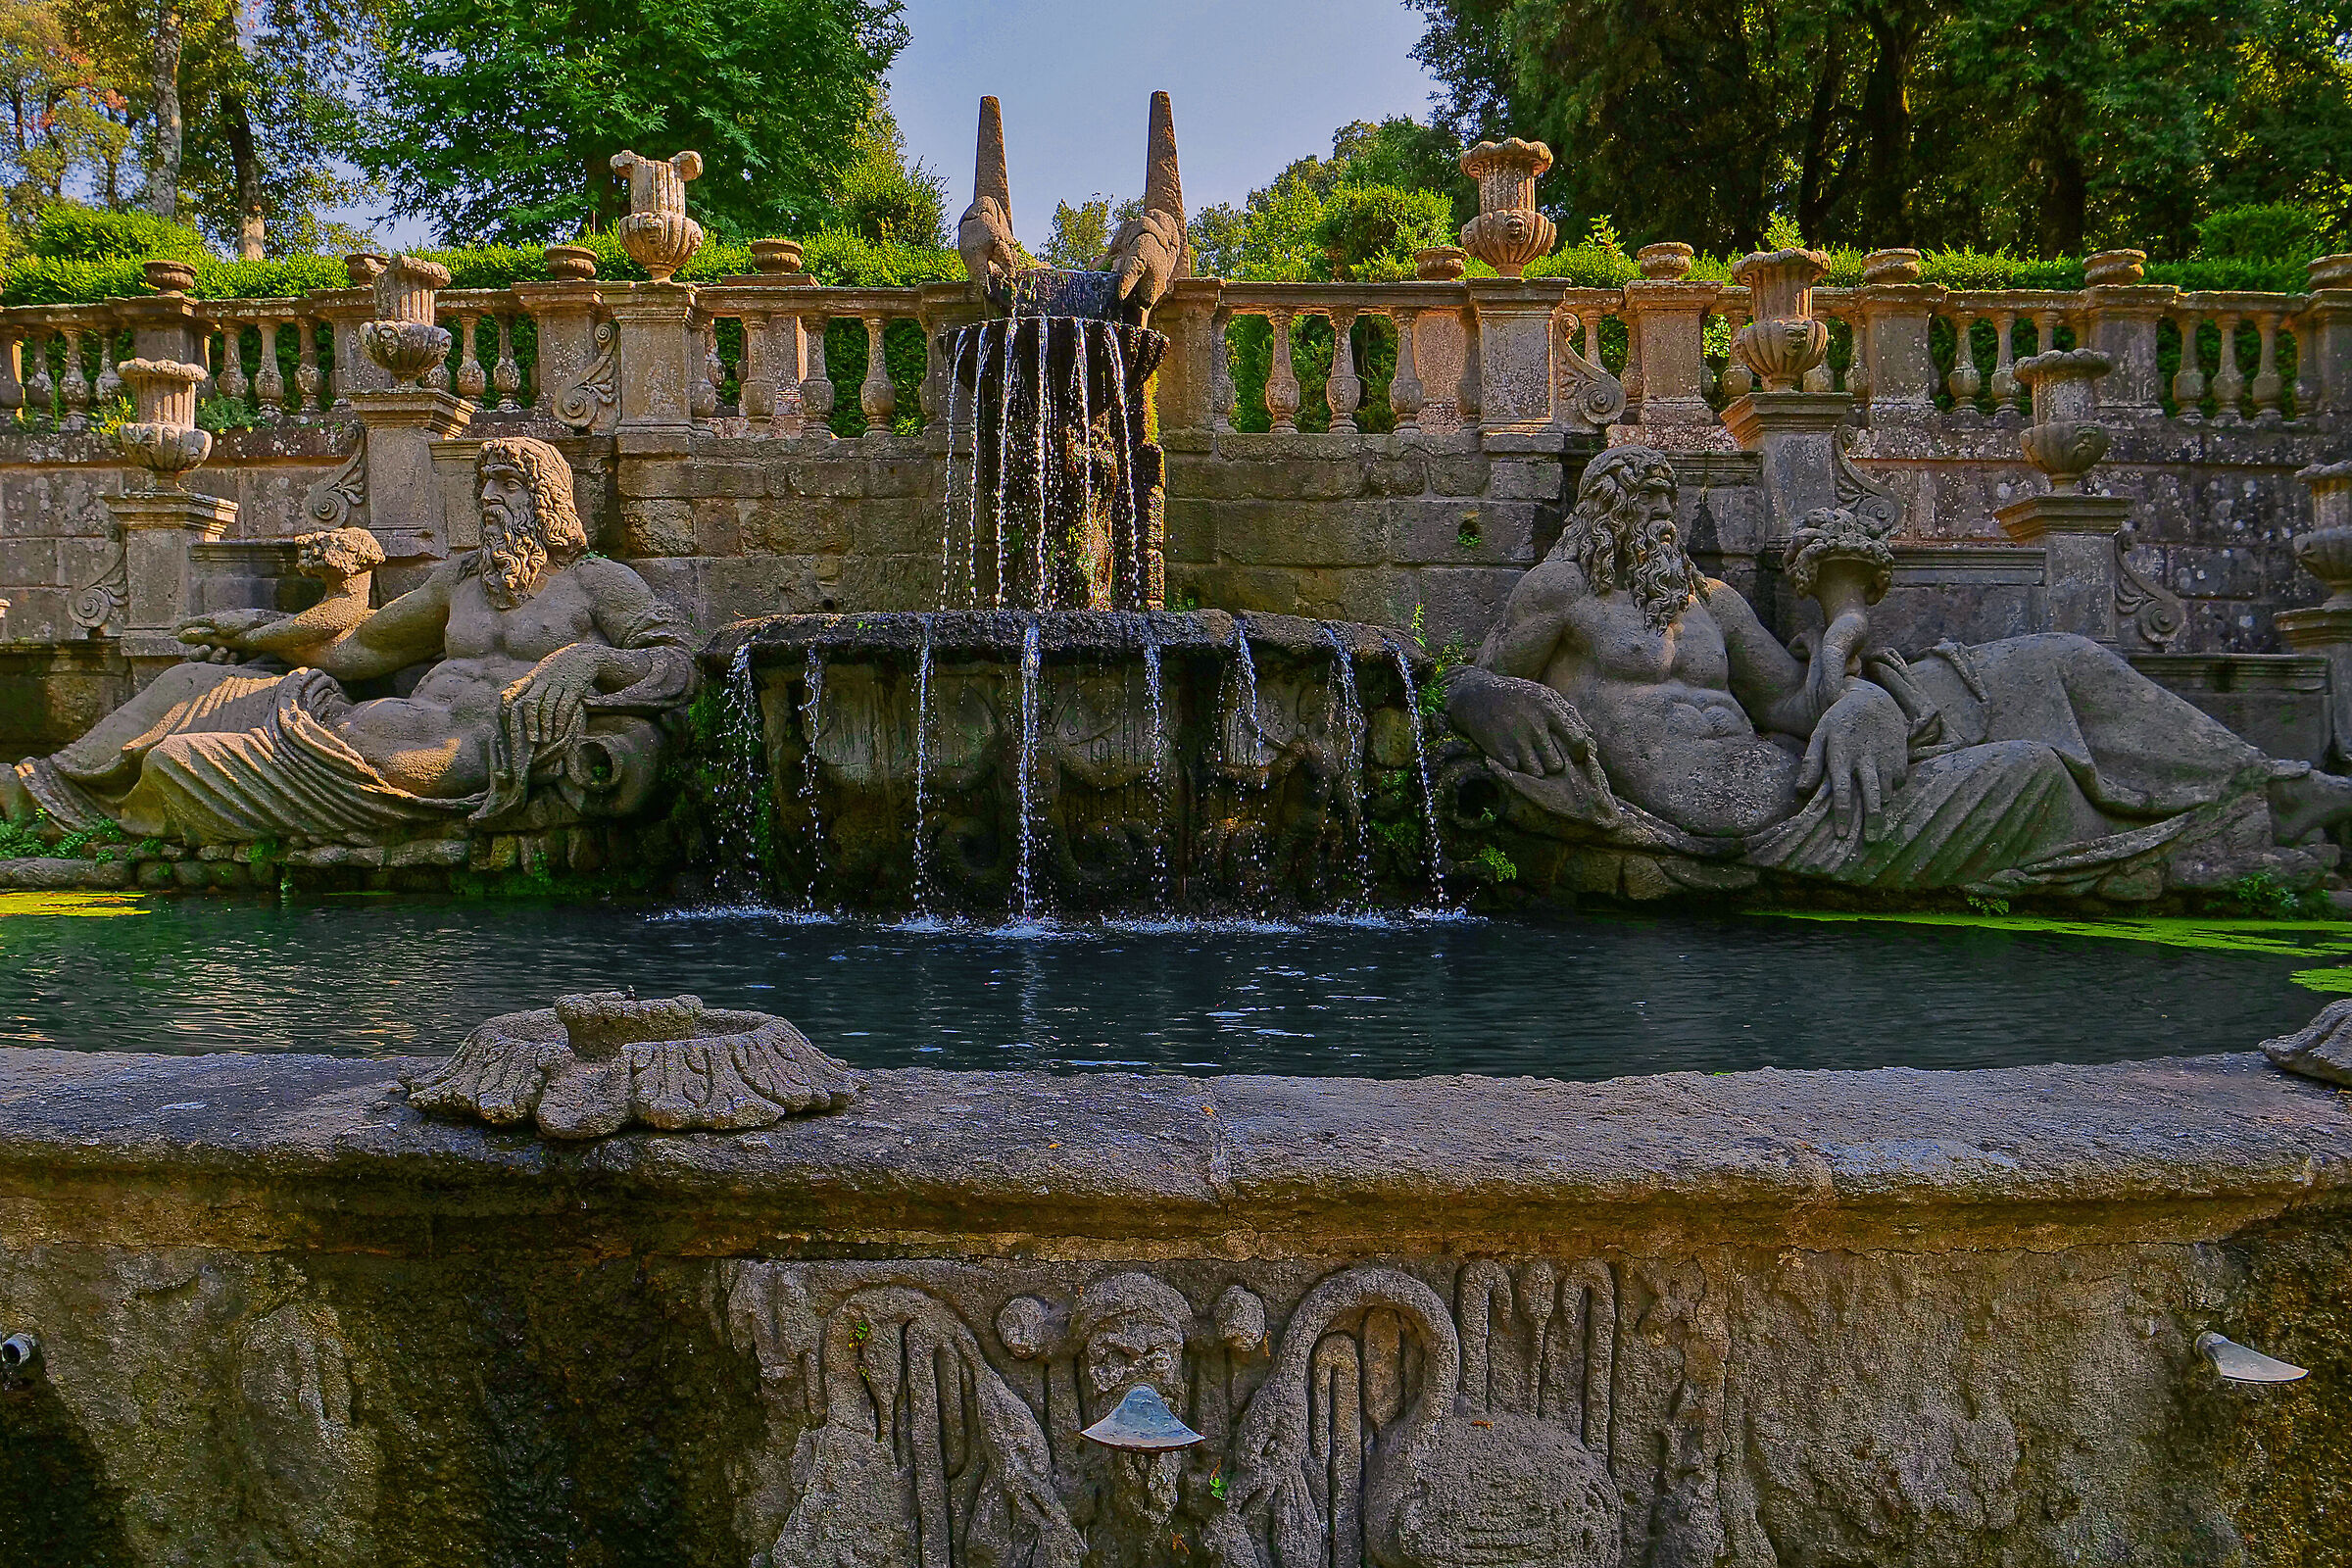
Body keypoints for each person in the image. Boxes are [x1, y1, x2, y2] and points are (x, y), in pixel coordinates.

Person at [1443, 445, 2352, 890]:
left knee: (2060, 661)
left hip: (1815, 771)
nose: (1652, 507)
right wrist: (1489, 698)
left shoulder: (1710, 602)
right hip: (1781, 817)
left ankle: (2267, 788)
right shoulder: (1560, 590)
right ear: (1595, 511)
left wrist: (1849, 664)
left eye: (1661, 494)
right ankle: (2225, 833)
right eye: (1629, 492)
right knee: (2028, 772)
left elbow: (1796, 704)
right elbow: (1468, 685)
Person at [2, 437, 695, 845]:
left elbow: (674, 664)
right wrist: (260, 633)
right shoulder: (462, 579)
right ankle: (37, 797)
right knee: (189, 684)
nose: (488, 500)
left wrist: (587, 661)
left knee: (177, 762)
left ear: (548, 499)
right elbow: (358, 651)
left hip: (448, 756)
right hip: (355, 721)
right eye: (485, 485)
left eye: (507, 486)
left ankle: (92, 821)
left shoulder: (599, 583)